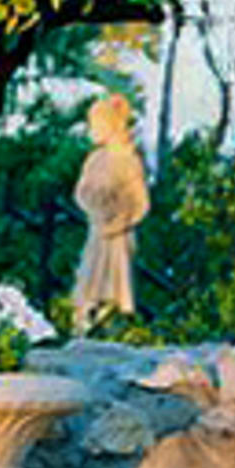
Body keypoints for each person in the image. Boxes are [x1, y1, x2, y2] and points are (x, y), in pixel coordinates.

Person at [71, 94, 148, 329]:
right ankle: (84, 323)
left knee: (116, 285)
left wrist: (119, 219)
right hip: (97, 229)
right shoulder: (95, 159)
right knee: (88, 283)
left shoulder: (128, 161)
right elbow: (81, 192)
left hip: (117, 234)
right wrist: (95, 206)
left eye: (97, 124)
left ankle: (113, 324)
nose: (92, 129)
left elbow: (140, 202)